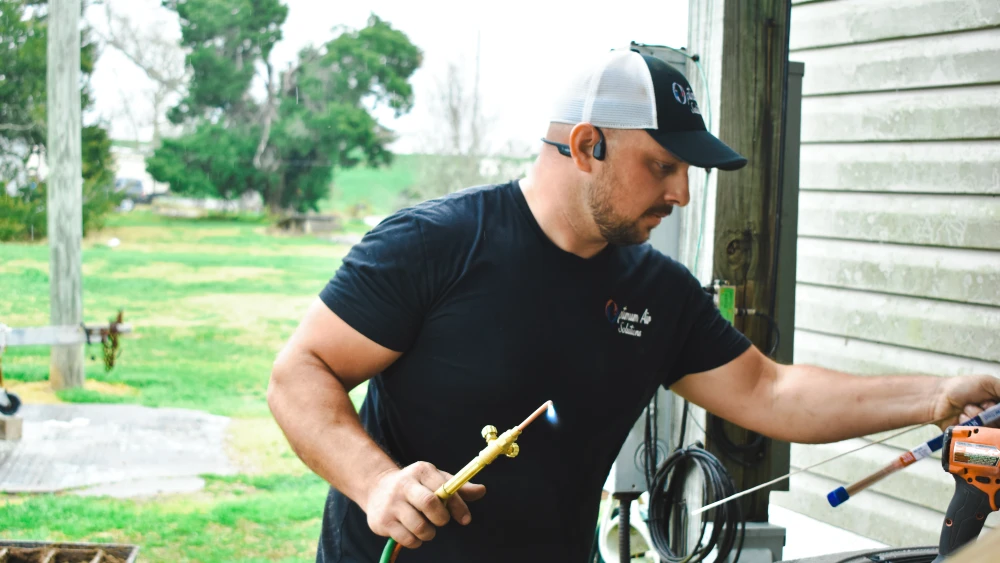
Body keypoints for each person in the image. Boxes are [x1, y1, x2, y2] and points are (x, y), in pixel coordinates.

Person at [267, 50, 1000, 563]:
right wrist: (375, 481)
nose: (681, 193)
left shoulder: (657, 291)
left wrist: (934, 396)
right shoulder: (435, 244)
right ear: (586, 145)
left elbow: (770, 390)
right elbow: (300, 371)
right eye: (663, 165)